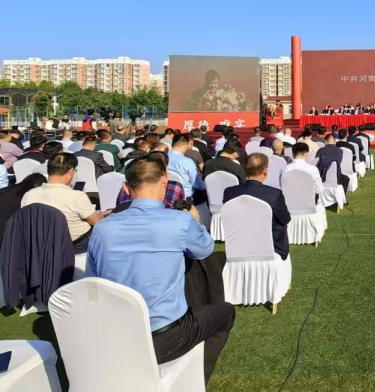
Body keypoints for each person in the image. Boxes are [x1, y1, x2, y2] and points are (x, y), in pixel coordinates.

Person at [88, 154, 234, 382]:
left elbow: (93, 279)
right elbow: (205, 249)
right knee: (226, 313)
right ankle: (195, 379)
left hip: (117, 332)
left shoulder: (102, 229)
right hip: (167, 336)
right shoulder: (180, 221)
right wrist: (195, 221)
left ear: (126, 188)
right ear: (165, 182)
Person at [21, 152, 108, 251]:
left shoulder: (29, 194)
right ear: (71, 171)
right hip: (74, 245)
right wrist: (103, 215)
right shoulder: (77, 196)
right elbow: (95, 221)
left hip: (41, 245)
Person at [222, 153, 291, 260]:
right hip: (270, 247)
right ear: (265, 171)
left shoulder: (229, 192)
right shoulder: (274, 194)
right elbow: (285, 219)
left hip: (239, 243)